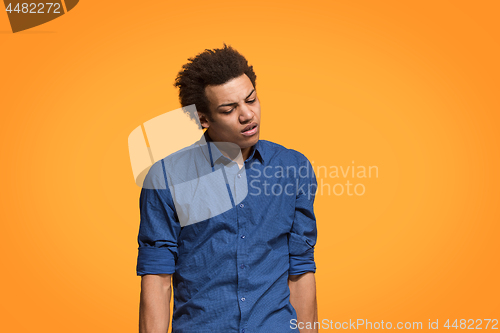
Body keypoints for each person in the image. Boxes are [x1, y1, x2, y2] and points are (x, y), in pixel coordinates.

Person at [137, 45, 319, 333]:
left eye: (251, 100)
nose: (247, 115)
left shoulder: (292, 167)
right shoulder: (167, 177)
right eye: (229, 109)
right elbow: (157, 277)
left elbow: (300, 267)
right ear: (203, 119)